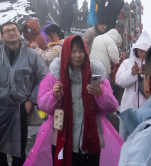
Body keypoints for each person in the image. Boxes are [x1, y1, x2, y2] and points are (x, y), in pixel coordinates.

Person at [24, 36, 121, 166]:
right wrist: (54, 95)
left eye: (81, 51)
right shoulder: (54, 76)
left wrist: (100, 93)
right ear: (66, 52)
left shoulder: (97, 77)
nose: (77, 55)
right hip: (60, 137)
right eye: (73, 51)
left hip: (90, 139)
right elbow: (42, 104)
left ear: (86, 52)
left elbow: (113, 106)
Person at [0, 21, 48, 166]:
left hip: (20, 108)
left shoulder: (31, 55)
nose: (11, 33)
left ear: (19, 33)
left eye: (14, 30)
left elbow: (44, 77)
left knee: (19, 149)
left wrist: (31, 100)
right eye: (7, 31)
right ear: (2, 36)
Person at [114, 31, 151, 129]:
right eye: (141, 51)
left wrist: (148, 75)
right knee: (127, 140)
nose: (143, 54)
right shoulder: (127, 63)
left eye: (146, 51)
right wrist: (132, 74)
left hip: (147, 110)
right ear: (136, 50)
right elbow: (119, 80)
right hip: (128, 109)